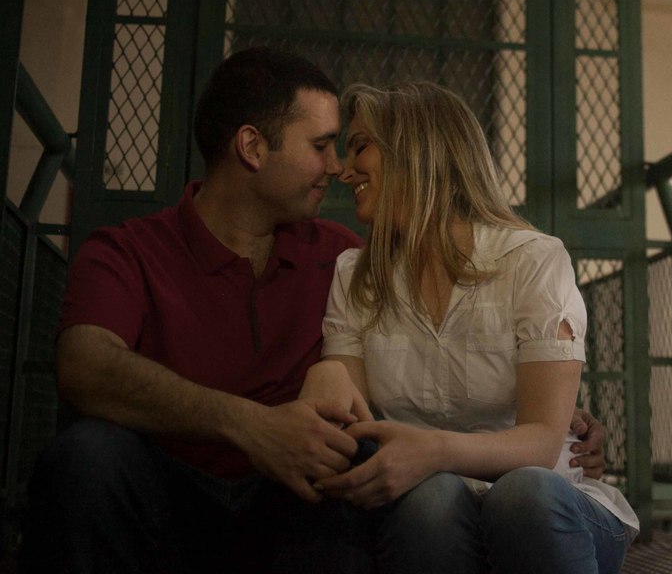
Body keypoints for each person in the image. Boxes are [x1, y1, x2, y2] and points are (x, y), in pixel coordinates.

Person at [21, 48, 607, 573]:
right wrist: (250, 425)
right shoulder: (129, 250)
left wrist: (552, 405)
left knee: (363, 479)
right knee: (87, 455)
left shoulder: (343, 256)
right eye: (322, 146)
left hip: (295, 500)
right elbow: (83, 364)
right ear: (252, 147)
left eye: (347, 147)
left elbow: (453, 348)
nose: (337, 167)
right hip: (168, 489)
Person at [298, 81, 638, 574]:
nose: (345, 170)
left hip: (545, 506)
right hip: (433, 511)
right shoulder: (355, 274)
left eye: (361, 146)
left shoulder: (534, 260)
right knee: (430, 500)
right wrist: (324, 380)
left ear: (416, 151)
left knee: (524, 493)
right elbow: (356, 425)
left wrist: (434, 450)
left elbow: (542, 445)